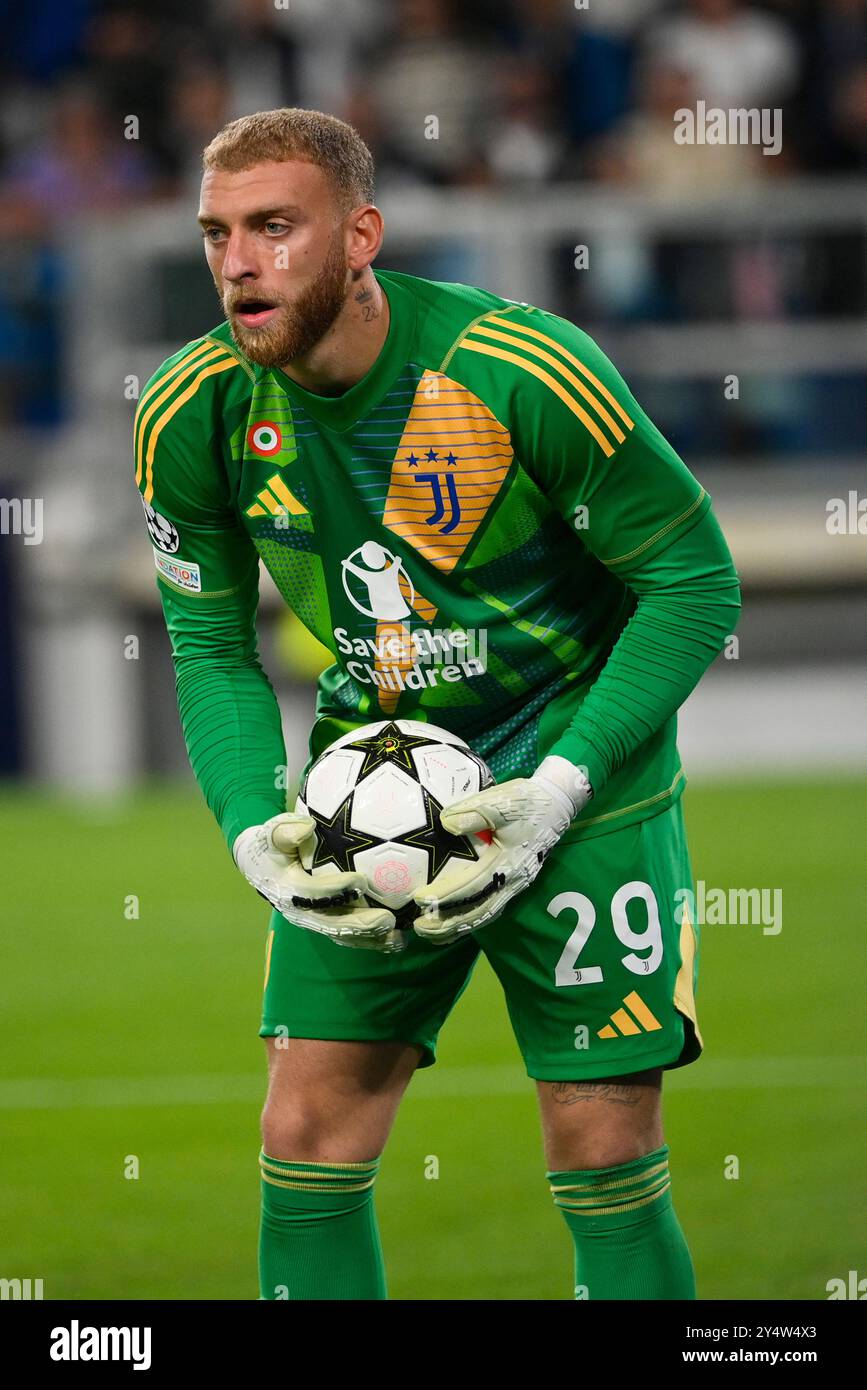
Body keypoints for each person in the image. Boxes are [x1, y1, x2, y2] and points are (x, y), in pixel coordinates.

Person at [133, 107, 741, 1300]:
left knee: (602, 1135)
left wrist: (561, 787)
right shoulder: (190, 410)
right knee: (306, 1130)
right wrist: (254, 829)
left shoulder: (515, 372)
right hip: (369, 792)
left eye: (273, 228)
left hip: (582, 775)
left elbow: (693, 582)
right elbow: (210, 646)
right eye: (216, 234)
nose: (238, 263)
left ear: (360, 236)